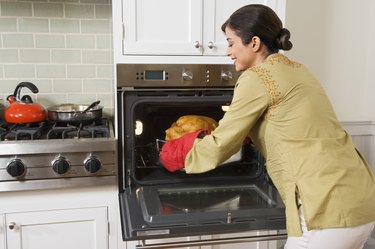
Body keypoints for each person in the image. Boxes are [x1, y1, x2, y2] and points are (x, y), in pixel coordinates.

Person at [160, 4, 375, 249]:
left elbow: (221, 144)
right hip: (360, 196)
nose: (228, 52)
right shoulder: (297, 69)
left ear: (253, 42)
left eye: (231, 43)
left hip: (326, 207)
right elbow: (291, 122)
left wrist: (177, 152)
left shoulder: (256, 77)